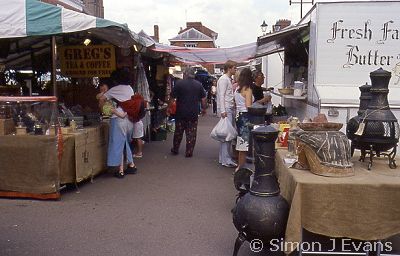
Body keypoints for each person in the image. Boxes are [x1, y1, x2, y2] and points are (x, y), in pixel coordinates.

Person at [98, 69, 137, 178]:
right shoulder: (130, 88)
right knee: (124, 141)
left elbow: (101, 99)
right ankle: (131, 164)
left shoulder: (114, 89)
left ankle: (120, 170)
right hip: (129, 118)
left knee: (117, 143)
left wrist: (102, 107)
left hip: (118, 118)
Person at [170, 67, 207, 157]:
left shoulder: (179, 84)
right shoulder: (199, 85)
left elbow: (172, 97)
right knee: (191, 133)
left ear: (185, 74)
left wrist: (169, 107)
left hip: (180, 112)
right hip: (193, 113)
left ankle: (175, 149)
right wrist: (203, 109)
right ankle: (189, 151)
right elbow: (203, 98)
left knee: (178, 132)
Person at [216, 60, 237, 168]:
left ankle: (223, 157)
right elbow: (221, 95)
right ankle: (226, 159)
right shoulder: (224, 79)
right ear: (229, 68)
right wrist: (223, 110)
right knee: (227, 135)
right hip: (227, 109)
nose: (235, 69)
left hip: (228, 108)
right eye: (234, 68)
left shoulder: (226, 79)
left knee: (225, 134)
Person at [234, 68, 254, 169]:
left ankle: (239, 166)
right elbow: (248, 106)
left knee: (241, 142)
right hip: (246, 117)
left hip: (238, 116)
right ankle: (241, 168)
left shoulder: (237, 89)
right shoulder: (248, 89)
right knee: (244, 144)